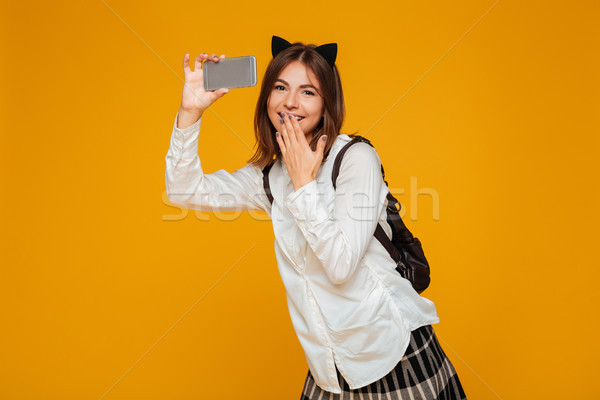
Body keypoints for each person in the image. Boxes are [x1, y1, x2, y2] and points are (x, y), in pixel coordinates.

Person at [165, 35, 467, 399]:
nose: (290, 102)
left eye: (308, 92)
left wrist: (305, 184)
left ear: (326, 106)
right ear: (267, 99)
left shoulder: (355, 159)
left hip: (391, 352)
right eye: (280, 87)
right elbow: (183, 190)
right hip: (329, 366)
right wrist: (191, 113)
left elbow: (340, 266)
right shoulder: (270, 177)